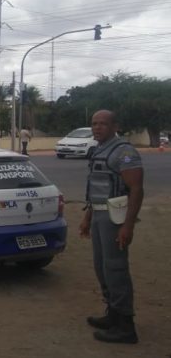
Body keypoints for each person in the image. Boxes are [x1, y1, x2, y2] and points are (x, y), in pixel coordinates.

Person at [79, 109, 144, 344]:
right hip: (98, 215)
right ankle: (113, 314)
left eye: (103, 124)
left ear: (115, 126)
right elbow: (97, 187)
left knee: (116, 269)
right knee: (101, 267)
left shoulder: (124, 152)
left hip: (115, 218)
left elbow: (136, 189)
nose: (97, 128)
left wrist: (128, 226)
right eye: (94, 124)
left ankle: (126, 326)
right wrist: (87, 217)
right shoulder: (99, 149)